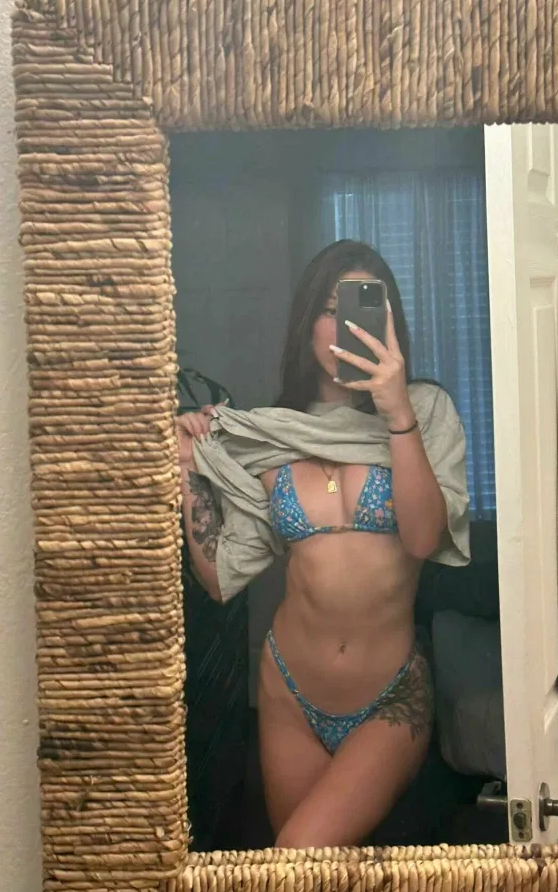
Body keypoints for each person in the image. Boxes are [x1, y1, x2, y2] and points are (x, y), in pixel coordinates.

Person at [176, 240, 469, 848]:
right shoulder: (269, 433)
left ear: (390, 325)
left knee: (295, 856)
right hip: (288, 690)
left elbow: (422, 538)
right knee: (307, 891)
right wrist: (187, 467)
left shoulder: (425, 410)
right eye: (331, 310)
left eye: (364, 309)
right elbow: (220, 574)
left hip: (392, 696)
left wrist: (396, 410)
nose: (345, 327)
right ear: (307, 321)